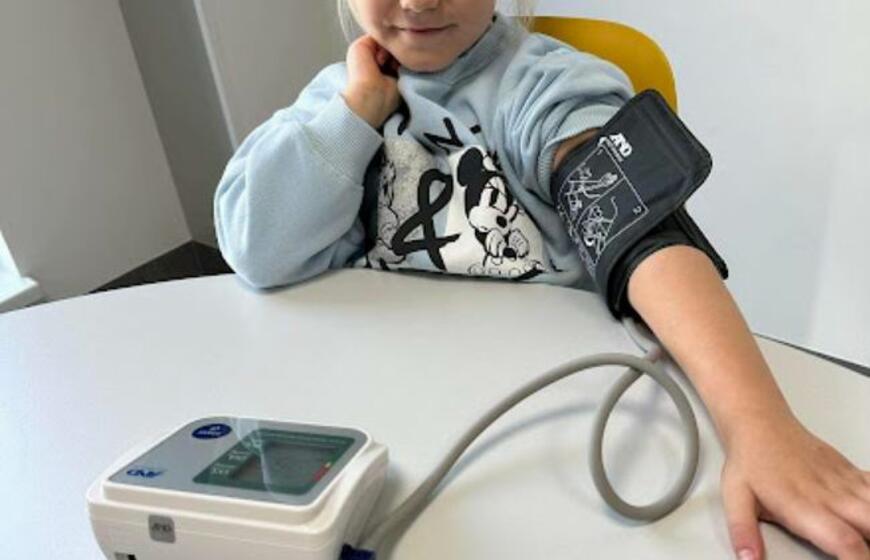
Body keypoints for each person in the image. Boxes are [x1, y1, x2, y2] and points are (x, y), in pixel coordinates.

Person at [213, 1, 870, 558]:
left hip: (555, 436)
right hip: (398, 430)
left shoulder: (548, 89)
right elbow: (257, 250)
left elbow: (642, 235)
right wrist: (355, 113)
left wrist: (759, 425)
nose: (417, 0)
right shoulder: (334, 99)